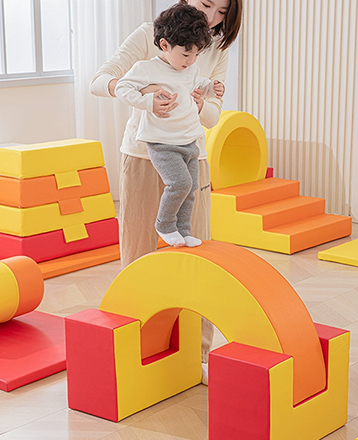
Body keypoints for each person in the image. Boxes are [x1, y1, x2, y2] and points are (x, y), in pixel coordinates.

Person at [90, 0, 243, 377]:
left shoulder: (215, 48)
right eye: (206, 4)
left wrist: (201, 100)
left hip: (191, 155)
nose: (211, 17)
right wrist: (146, 94)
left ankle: (199, 355)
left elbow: (211, 116)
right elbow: (99, 81)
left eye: (222, 12)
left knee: (198, 253)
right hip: (142, 156)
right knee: (139, 251)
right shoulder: (149, 35)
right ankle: (136, 345)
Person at [115, 4, 224, 249]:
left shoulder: (190, 67)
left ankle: (183, 231)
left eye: (197, 54)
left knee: (191, 189)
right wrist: (147, 101)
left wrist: (213, 87)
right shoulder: (147, 68)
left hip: (188, 140)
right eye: (186, 54)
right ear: (165, 45)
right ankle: (165, 225)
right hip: (162, 143)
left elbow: (201, 81)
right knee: (180, 184)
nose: (192, 60)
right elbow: (122, 87)